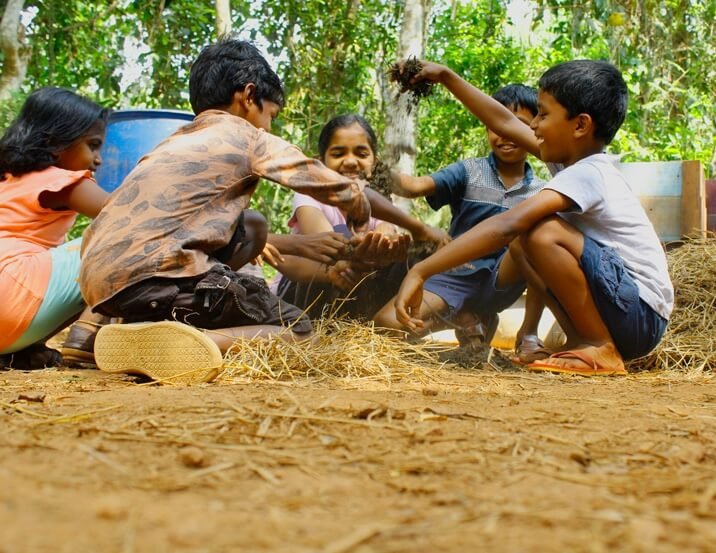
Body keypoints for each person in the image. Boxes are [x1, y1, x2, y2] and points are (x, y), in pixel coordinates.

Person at [79, 38, 371, 384]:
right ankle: (199, 343)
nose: (269, 126)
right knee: (300, 329)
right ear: (248, 97)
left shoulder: (167, 145)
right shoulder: (246, 136)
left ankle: (130, 334)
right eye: (271, 115)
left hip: (102, 286)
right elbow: (313, 174)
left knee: (247, 225)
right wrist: (357, 202)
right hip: (161, 277)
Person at [394, 60, 673, 376]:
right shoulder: (571, 162)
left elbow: (507, 224)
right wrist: (446, 77)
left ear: (580, 126)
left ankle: (599, 345)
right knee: (523, 243)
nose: (534, 126)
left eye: (542, 114)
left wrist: (421, 270)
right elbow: (502, 121)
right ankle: (583, 340)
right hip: (630, 315)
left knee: (537, 230)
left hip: (641, 316)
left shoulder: (589, 173)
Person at [372, 84, 546, 346]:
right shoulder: (469, 171)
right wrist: (376, 170)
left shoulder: (542, 190)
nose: (505, 135)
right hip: (456, 274)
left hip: (503, 280)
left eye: (516, 126)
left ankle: (528, 335)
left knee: (536, 240)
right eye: (496, 127)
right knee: (386, 324)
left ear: (533, 129)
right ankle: (466, 317)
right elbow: (415, 186)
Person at [269, 113, 449, 320]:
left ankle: (388, 324)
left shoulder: (380, 201)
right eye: (338, 154)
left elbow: (386, 231)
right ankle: (314, 330)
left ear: (374, 163)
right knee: (333, 261)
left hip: (353, 287)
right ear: (320, 163)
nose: (351, 162)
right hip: (305, 295)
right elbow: (329, 242)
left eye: (361, 154)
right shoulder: (308, 196)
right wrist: (361, 248)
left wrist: (385, 245)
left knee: (410, 259)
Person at [0, 87, 111, 369]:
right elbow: (129, 215)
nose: (98, 159)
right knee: (116, 235)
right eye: (93, 145)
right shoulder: (61, 181)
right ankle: (85, 338)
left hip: (10, 312)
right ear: (55, 143)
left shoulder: (9, 179)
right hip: (10, 294)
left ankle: (21, 351)